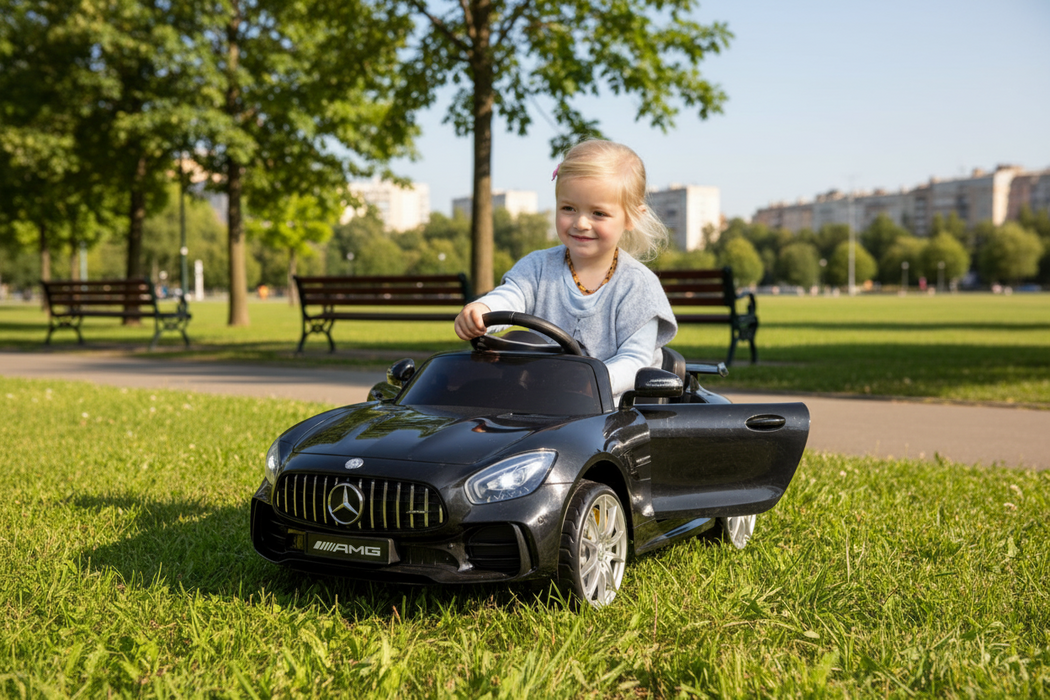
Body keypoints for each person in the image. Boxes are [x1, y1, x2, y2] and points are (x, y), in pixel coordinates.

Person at [454, 139, 677, 402]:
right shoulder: (538, 267)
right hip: (540, 402)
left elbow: (635, 361)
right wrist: (484, 310)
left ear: (632, 217)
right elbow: (512, 295)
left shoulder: (637, 286)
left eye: (598, 213)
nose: (581, 223)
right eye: (569, 208)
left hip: (610, 415)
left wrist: (593, 380)